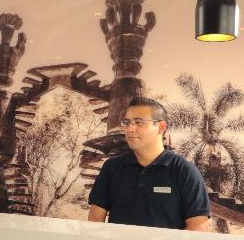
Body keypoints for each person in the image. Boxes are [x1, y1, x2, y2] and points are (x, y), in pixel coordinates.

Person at [87, 97, 210, 231]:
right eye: (127, 122)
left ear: (161, 127)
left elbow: (199, 226)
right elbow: (95, 218)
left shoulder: (184, 171)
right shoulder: (112, 167)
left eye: (138, 122)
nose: (130, 128)